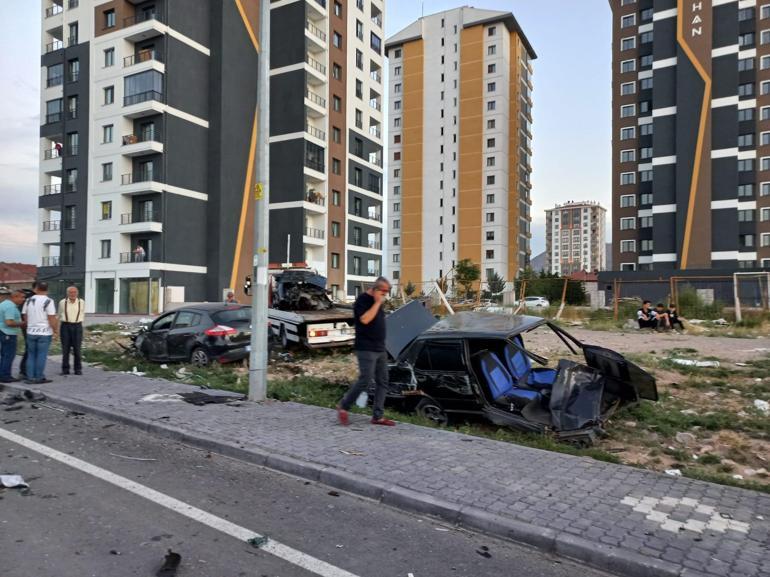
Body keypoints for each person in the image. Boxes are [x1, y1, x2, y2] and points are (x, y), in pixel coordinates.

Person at [336, 277, 396, 427]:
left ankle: (378, 416)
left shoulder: (379, 301)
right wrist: (376, 303)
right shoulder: (362, 301)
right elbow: (365, 319)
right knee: (365, 379)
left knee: (383, 381)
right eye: (384, 292)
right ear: (376, 289)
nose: (385, 295)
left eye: (386, 293)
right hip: (366, 348)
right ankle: (344, 406)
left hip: (380, 348)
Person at [21, 281, 58, 384]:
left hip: (31, 332)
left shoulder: (28, 300)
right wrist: (55, 330)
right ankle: (39, 377)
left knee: (31, 355)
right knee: (41, 355)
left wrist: (30, 325)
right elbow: (51, 318)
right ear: (47, 290)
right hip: (44, 332)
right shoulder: (49, 301)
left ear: (35, 289)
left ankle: (30, 377)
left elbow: (25, 316)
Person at [0, 290, 26, 383]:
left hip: (3, 332)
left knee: (4, 355)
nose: (23, 299)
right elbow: (9, 322)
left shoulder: (4, 303)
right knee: (9, 355)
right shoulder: (10, 307)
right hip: (8, 333)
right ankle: (5, 376)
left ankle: (2, 374)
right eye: (22, 297)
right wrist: (22, 323)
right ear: (15, 297)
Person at [59, 285, 85, 375]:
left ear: (77, 293)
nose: (72, 294)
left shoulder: (81, 302)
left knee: (77, 349)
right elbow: (59, 314)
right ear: (67, 293)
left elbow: (82, 313)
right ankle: (65, 369)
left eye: (74, 292)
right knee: (65, 349)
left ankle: (78, 369)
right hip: (65, 326)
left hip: (77, 326)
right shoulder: (62, 302)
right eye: (70, 292)